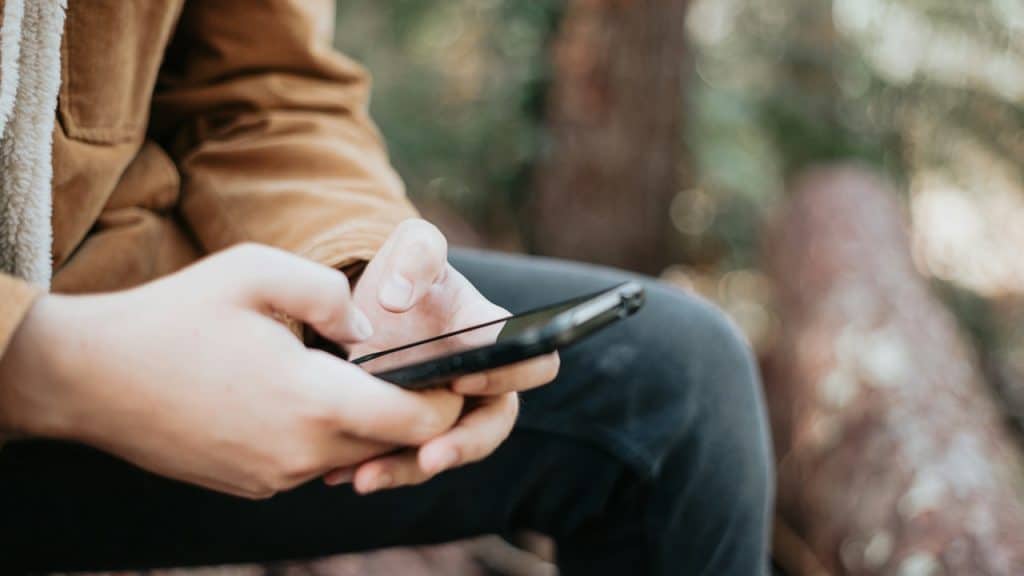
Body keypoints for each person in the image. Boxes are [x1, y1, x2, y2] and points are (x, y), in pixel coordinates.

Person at [0, 1, 774, 574]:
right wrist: (55, 365)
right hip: (37, 377)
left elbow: (263, 88)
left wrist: (362, 270)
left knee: (673, 385)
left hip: (101, 282)